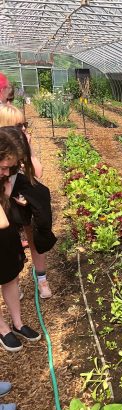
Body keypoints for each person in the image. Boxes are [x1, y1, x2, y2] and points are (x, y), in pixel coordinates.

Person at [0, 106, 54, 299]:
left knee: (33, 231)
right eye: (17, 125)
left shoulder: (20, 147)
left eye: (24, 125)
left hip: (22, 191)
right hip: (5, 198)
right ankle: (13, 281)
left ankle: (42, 279)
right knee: (10, 236)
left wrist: (28, 150)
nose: (22, 129)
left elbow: (37, 172)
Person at [0, 128, 41, 351]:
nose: (7, 173)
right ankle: (3, 328)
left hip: (6, 236)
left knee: (11, 277)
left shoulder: (5, 174)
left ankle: (17, 323)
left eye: (10, 167)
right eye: (4, 167)